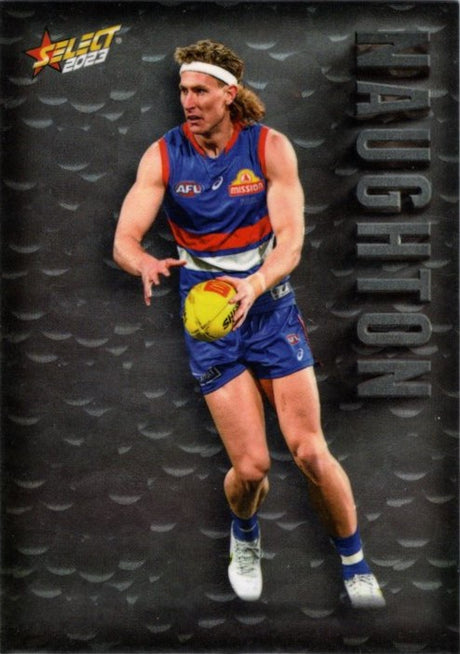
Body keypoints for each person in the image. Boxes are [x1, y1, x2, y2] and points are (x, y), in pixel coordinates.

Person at [113, 39, 385, 608]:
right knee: (253, 467)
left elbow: (291, 244)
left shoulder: (269, 148)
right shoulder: (162, 156)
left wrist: (254, 286)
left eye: (200, 91)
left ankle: (356, 567)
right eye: (183, 91)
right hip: (212, 324)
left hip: (269, 309)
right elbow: (124, 240)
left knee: (310, 451)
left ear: (228, 94)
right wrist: (142, 262)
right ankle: (244, 534)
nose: (188, 101)